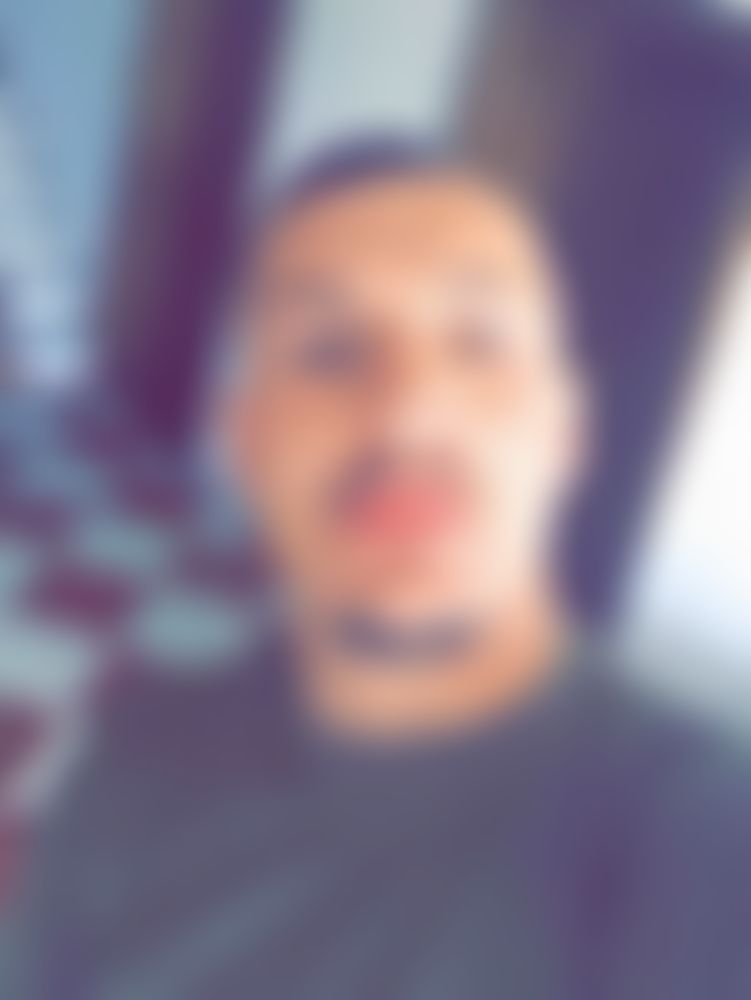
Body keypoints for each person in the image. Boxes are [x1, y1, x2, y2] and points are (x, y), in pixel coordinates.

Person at [1, 140, 749, 999]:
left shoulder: (703, 835)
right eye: (329, 349)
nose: (407, 410)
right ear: (247, 441)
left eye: (479, 341)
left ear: (565, 432)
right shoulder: (134, 756)